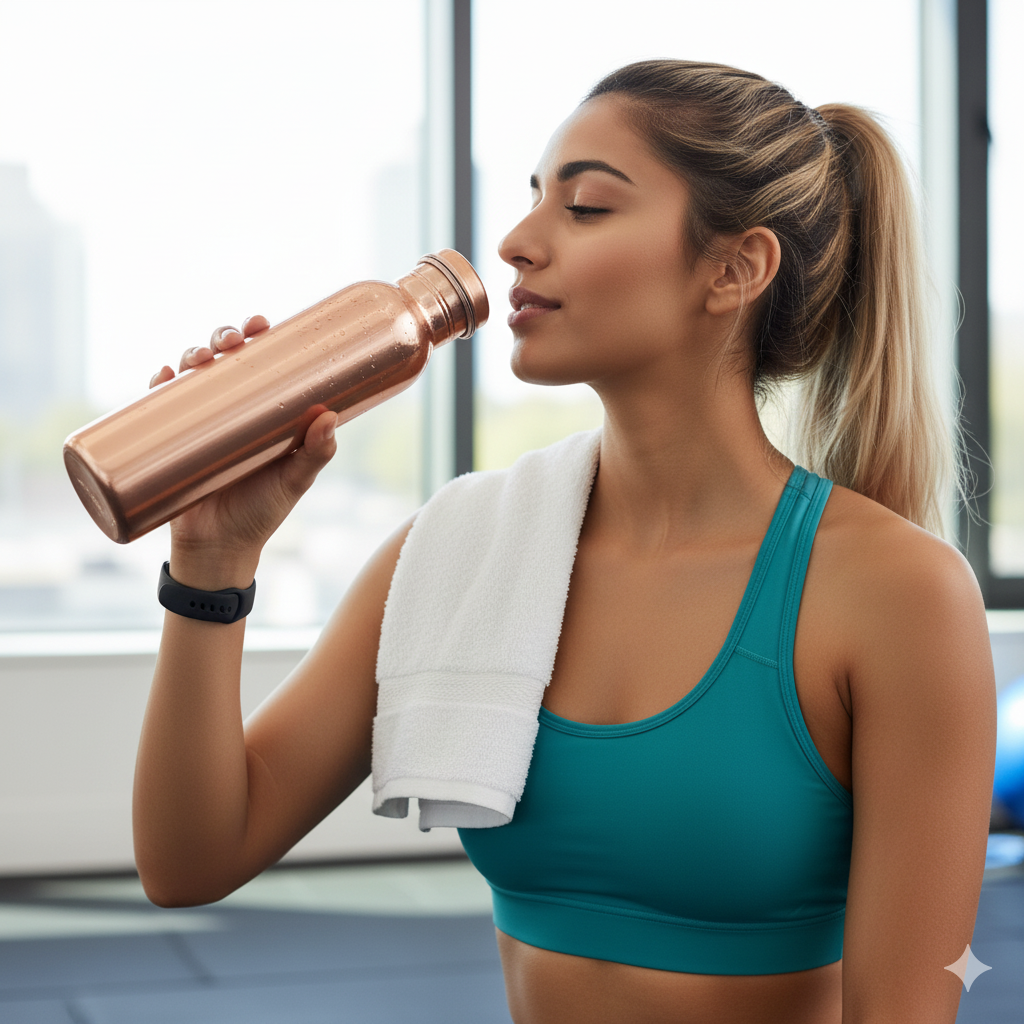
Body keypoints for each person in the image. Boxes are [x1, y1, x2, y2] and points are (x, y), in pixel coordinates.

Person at [135, 60, 997, 1024]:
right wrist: (212, 566)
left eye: (585, 207)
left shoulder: (899, 593)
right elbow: (192, 859)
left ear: (735, 269)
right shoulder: (461, 551)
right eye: (534, 198)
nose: (515, 243)